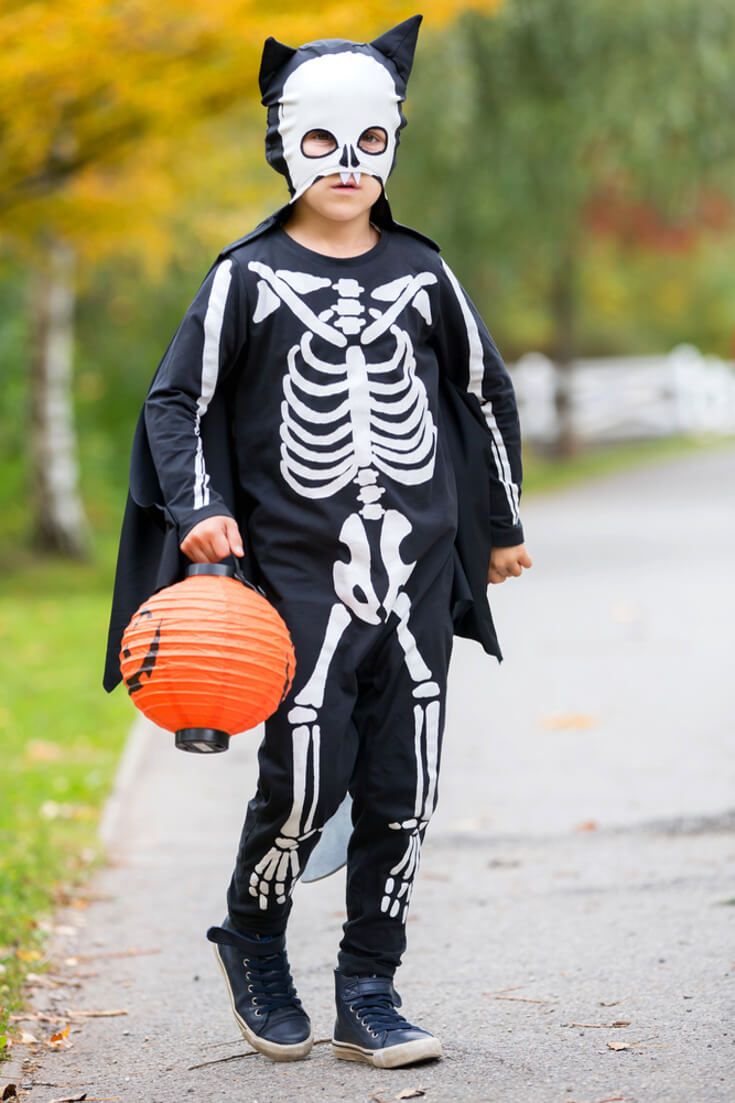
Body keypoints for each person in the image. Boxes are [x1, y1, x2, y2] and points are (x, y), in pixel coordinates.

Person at [104, 14, 532, 1070]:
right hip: (295, 570)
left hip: (422, 568)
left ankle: (370, 986)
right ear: (283, 147)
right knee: (304, 771)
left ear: (393, 144)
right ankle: (252, 936)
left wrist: (502, 525)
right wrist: (201, 504)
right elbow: (176, 403)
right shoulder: (244, 278)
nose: (346, 167)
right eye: (322, 143)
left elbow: (483, 395)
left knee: (409, 779)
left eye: (370, 144)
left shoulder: (425, 274)